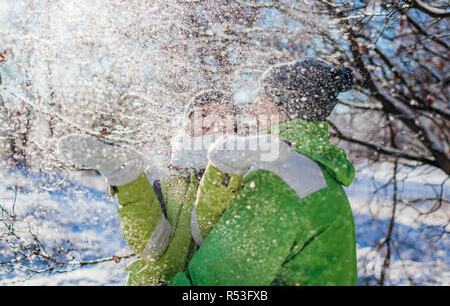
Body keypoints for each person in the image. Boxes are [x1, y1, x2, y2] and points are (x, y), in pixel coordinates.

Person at [171, 58, 358, 286]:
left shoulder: (277, 176)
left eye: (261, 99)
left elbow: (220, 280)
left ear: (285, 107)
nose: (251, 110)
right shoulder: (314, 166)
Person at [57, 90, 240, 285]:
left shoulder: (247, 173)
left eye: (221, 116)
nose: (210, 122)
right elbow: (149, 245)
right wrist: (129, 181)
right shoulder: (159, 175)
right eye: (202, 115)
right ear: (187, 125)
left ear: (235, 127)